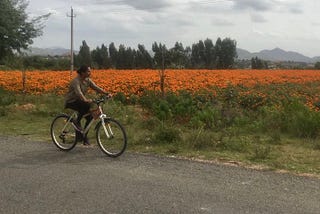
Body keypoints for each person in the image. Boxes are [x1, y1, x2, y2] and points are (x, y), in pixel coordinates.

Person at [64, 65, 110, 145]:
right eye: (88, 71)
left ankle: (84, 137)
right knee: (86, 105)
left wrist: (106, 93)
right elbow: (79, 93)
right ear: (82, 73)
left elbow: (96, 87)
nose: (90, 72)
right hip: (71, 101)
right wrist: (85, 99)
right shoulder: (76, 81)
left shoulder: (88, 80)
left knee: (90, 118)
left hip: (79, 101)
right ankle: (76, 122)